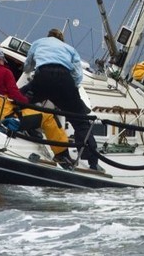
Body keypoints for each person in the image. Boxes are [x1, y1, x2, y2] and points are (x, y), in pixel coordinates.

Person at [22, 28, 102, 171]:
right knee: (80, 121)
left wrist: (31, 73)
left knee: (19, 99)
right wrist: (71, 89)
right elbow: (78, 75)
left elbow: (27, 66)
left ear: (48, 36)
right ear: (61, 40)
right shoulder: (70, 49)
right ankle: (93, 163)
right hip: (65, 79)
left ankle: (19, 126)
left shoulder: (38, 43)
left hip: (43, 77)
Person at [0, 47, 71, 165]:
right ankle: (61, 154)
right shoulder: (5, 72)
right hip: (1, 116)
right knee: (48, 116)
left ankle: (34, 135)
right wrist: (27, 101)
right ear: (0, 60)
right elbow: (16, 96)